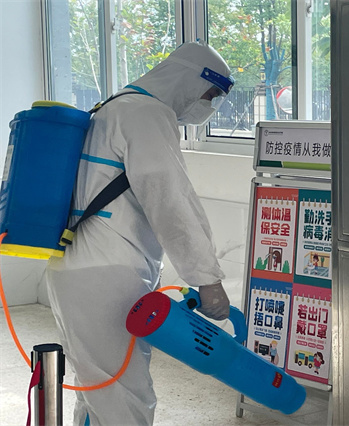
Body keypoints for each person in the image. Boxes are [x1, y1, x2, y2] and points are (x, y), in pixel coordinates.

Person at [45, 41, 235, 426]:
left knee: (97, 386)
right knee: (124, 393)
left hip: (72, 267)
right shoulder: (147, 114)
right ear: (190, 80)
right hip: (107, 274)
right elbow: (170, 200)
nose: (209, 105)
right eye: (211, 94)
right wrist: (207, 279)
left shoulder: (112, 107)